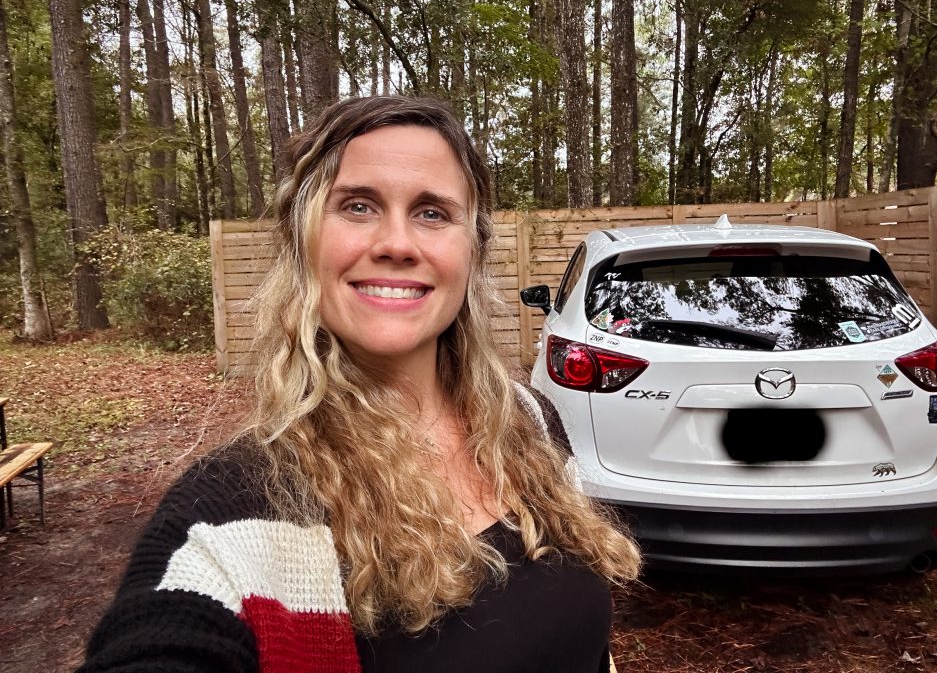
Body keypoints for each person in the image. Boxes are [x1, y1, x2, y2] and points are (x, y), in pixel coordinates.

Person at [77, 95, 641, 673]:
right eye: (358, 206)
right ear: (303, 242)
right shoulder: (236, 511)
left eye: (432, 213)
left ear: (471, 252)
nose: (396, 243)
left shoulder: (531, 421)